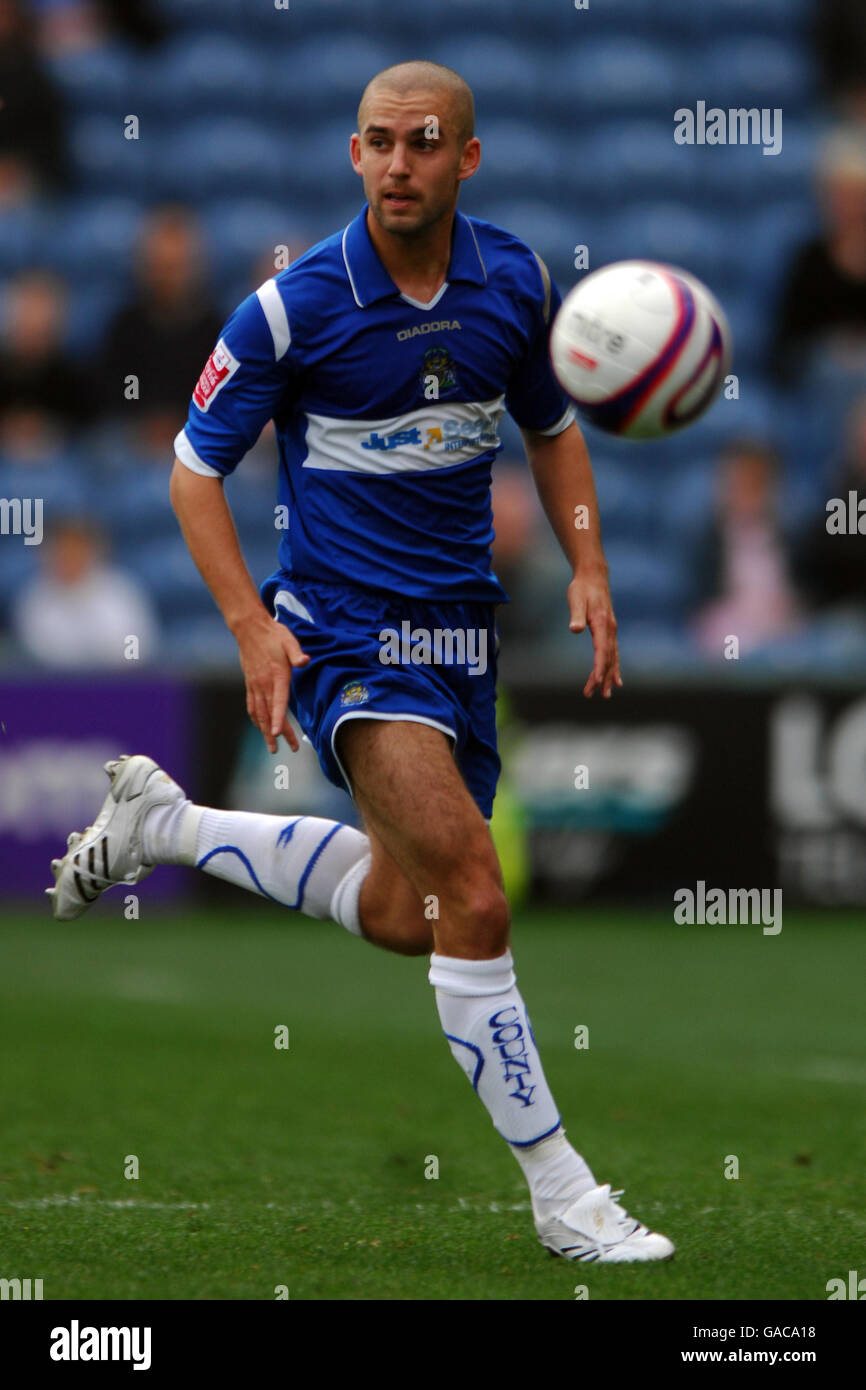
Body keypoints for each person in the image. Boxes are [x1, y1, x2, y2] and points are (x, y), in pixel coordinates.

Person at [47, 61, 673, 1265]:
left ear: (465, 159)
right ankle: (563, 1193)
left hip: (458, 637)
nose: (398, 162)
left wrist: (586, 564)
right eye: (378, 141)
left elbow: (551, 430)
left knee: (408, 910)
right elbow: (190, 474)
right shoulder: (290, 309)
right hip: (346, 633)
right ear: (353, 153)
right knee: (476, 894)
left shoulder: (514, 281)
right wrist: (250, 624)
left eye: (423, 142)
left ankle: (164, 828)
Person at [12, 516, 159, 668]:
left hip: (118, 683)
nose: (69, 556)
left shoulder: (121, 590)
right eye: (63, 549)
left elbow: (138, 647)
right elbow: (40, 651)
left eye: (76, 548)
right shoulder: (33, 598)